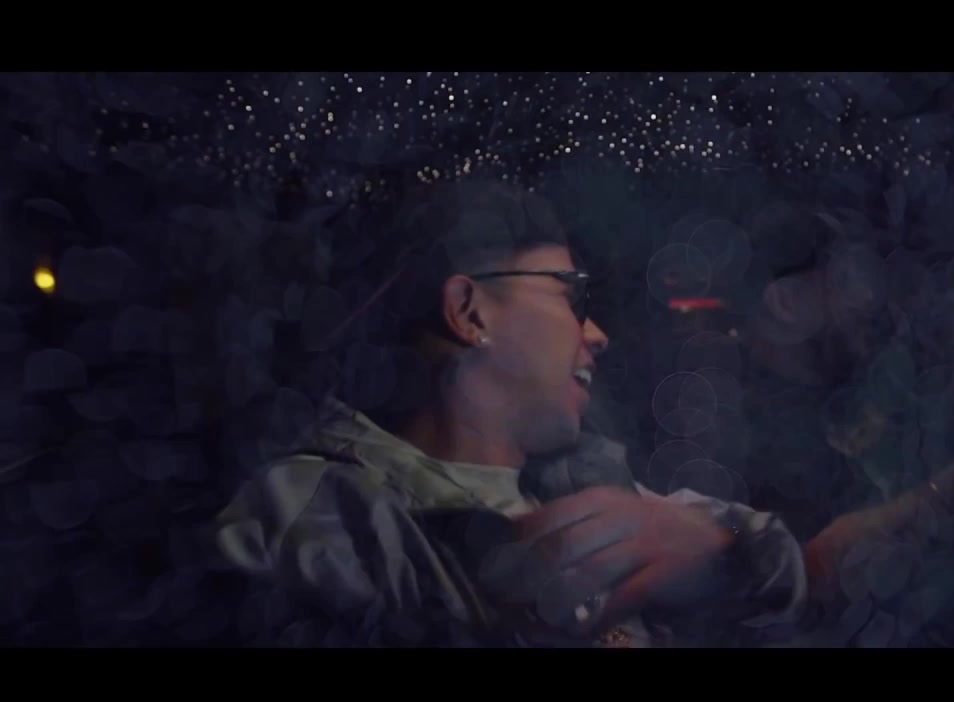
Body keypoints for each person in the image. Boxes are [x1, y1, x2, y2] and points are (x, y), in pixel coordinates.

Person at [213, 180, 808, 647]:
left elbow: (779, 557)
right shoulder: (316, 515)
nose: (596, 335)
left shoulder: (587, 481)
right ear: (470, 312)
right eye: (570, 297)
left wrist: (720, 547)